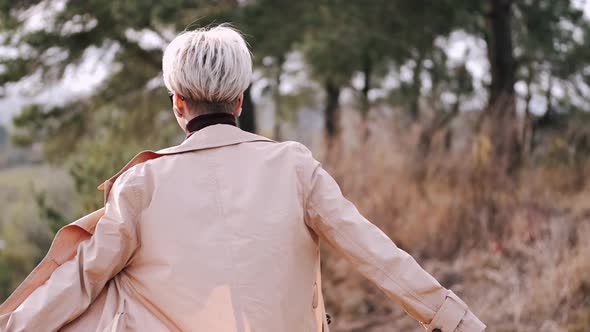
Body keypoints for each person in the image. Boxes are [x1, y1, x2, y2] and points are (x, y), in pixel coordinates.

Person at [0, 25, 485, 332]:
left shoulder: (141, 183)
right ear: (238, 102)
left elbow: (82, 280)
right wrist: (456, 321)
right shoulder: (295, 165)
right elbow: (376, 253)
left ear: (177, 104)